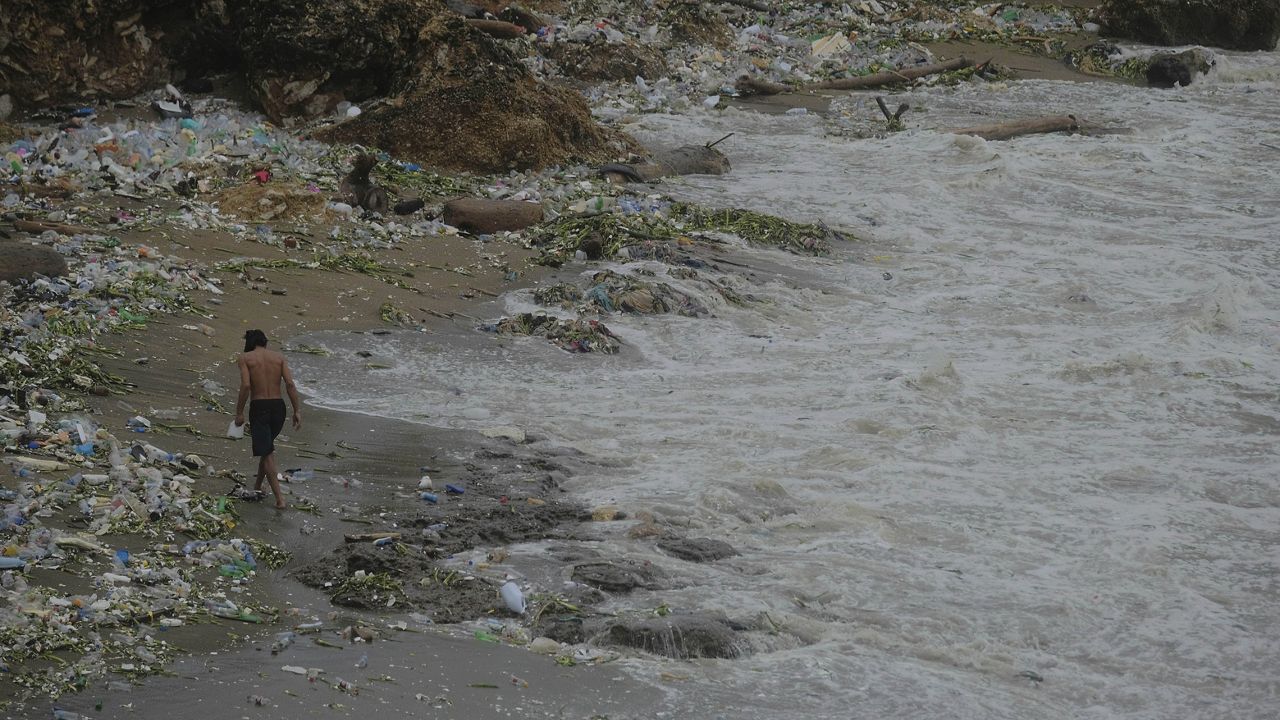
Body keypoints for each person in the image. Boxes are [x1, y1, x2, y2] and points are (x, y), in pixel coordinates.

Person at [233, 330, 301, 509]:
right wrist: (297, 410)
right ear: (264, 341)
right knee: (267, 447)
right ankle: (257, 486)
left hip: (260, 407)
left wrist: (239, 412)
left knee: (267, 451)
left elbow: (246, 385)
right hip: (279, 407)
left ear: (249, 342)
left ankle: (280, 499)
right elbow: (290, 384)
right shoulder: (279, 357)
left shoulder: (245, 358)